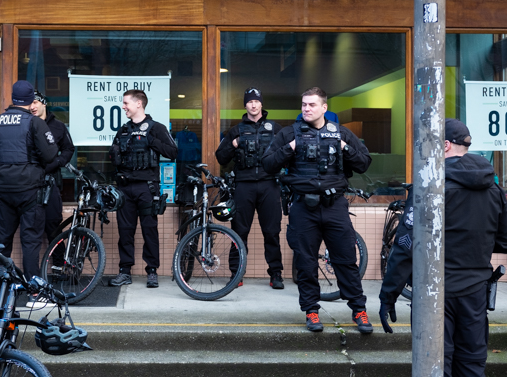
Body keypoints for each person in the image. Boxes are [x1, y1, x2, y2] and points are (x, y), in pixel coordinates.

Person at [379, 118, 507, 376]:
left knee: (435, 365)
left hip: (434, 293)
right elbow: (503, 240)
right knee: (471, 365)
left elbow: (405, 246)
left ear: (445, 145)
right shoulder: (494, 187)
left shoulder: (430, 187)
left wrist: (388, 295)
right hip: (475, 292)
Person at [262, 86, 373, 333]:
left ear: (324, 108)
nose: (306, 109)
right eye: (303, 104)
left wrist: (344, 146)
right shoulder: (289, 133)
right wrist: (289, 148)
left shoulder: (341, 133)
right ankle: (311, 311)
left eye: (312, 105)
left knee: (346, 260)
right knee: (306, 262)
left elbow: (364, 163)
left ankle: (359, 310)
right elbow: (267, 164)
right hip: (303, 206)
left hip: (335, 206)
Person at [0, 80, 58, 306]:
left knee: (1, 240)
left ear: (13, 98)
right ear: (30, 100)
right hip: (30, 189)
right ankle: (35, 294)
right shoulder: (35, 123)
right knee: (30, 241)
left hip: (3, 189)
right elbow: (51, 154)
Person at [215, 87, 284, 288]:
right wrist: (234, 144)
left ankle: (276, 274)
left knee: (271, 231)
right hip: (243, 186)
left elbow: (290, 154)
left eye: (256, 101)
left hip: (269, 185)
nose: (253, 105)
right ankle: (236, 274)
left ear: (262, 104)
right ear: (245, 105)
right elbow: (220, 157)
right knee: (239, 232)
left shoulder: (276, 129)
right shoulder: (236, 130)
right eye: (249, 101)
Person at [108, 89, 177, 288]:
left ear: (139, 104)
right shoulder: (123, 130)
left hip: (147, 188)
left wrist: (151, 142)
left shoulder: (156, 128)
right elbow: (113, 157)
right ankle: (125, 271)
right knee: (125, 231)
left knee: (149, 230)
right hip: (125, 188)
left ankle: (152, 271)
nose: (123, 107)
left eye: (126, 103)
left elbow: (173, 151)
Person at [30, 90, 75, 264]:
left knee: (54, 227)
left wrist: (57, 162)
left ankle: (58, 265)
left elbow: (69, 149)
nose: (32, 107)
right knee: (32, 228)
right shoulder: (27, 123)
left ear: (43, 103)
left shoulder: (58, 126)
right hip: (31, 183)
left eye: (35, 102)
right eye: (30, 103)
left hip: (51, 183)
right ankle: (31, 272)